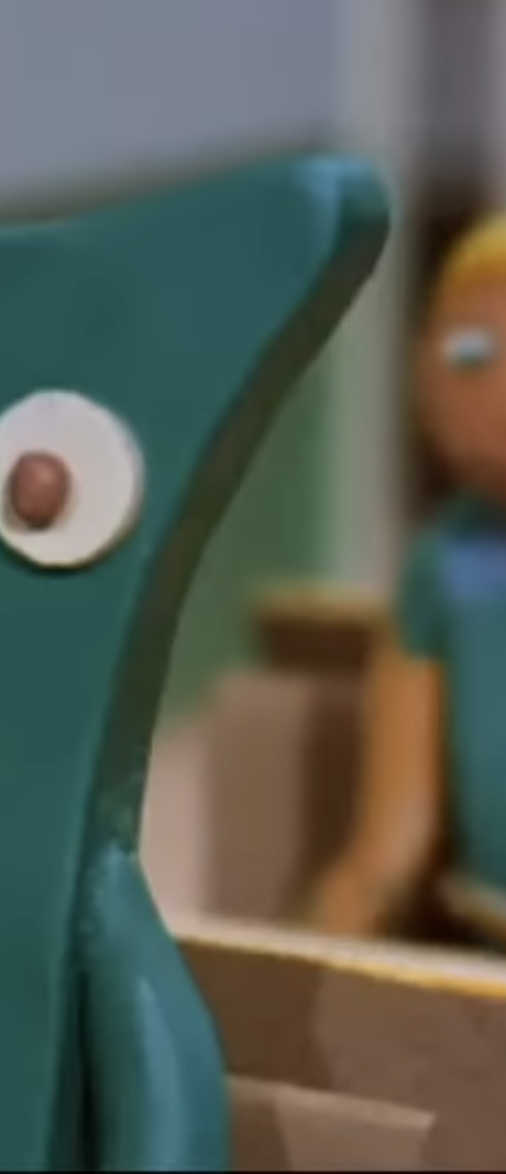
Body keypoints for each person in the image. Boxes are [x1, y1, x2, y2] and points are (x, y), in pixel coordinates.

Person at [309, 215, 506, 945]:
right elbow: (390, 837)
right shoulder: (443, 564)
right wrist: (300, 972)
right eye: (465, 354)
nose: (480, 390)